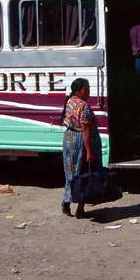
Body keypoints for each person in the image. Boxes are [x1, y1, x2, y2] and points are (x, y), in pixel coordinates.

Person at [61, 78, 102, 219]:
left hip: (69, 139)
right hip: (81, 142)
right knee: (84, 173)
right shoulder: (84, 106)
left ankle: (66, 202)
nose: (89, 91)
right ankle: (80, 208)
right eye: (86, 89)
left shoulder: (70, 100)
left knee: (70, 173)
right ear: (78, 91)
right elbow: (85, 131)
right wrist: (89, 151)